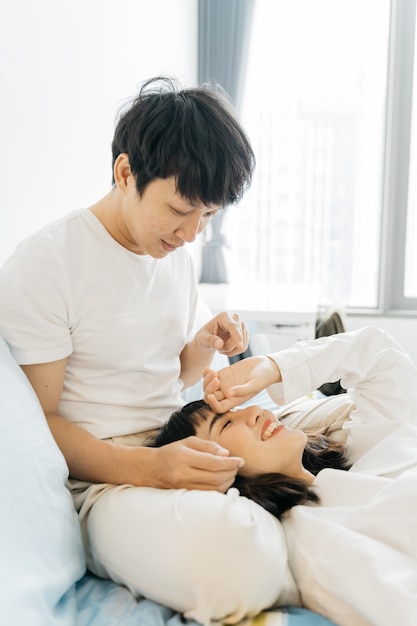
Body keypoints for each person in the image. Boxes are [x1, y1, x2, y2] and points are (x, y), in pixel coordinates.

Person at [0, 77, 301, 625]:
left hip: (177, 441)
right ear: (124, 173)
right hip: (103, 480)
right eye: (182, 209)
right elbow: (40, 422)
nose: (192, 235)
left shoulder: (173, 257)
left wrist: (204, 344)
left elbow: (168, 375)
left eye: (208, 217)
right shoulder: (49, 264)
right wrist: (150, 470)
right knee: (238, 561)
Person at [151, 326, 417, 626]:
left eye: (239, 406)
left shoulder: (364, 452)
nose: (253, 410)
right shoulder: (318, 542)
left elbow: (380, 354)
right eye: (225, 426)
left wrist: (272, 367)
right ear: (210, 470)